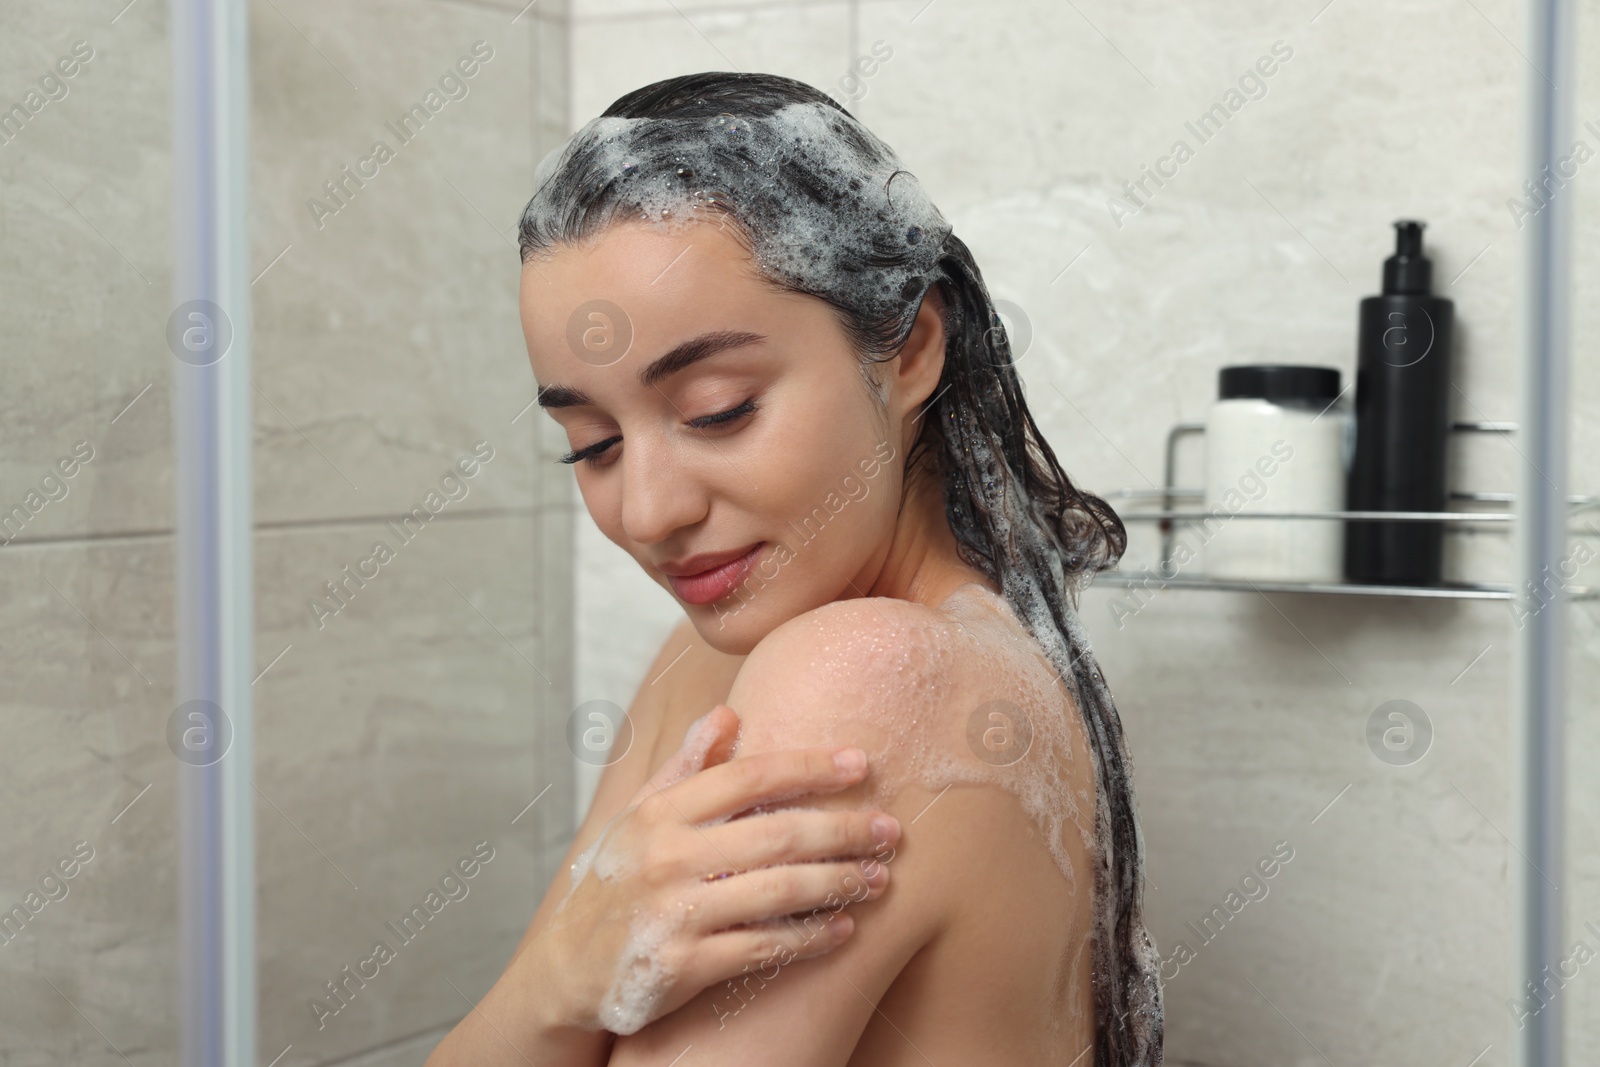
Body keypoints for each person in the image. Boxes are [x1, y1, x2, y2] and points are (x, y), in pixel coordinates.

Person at [428, 72, 1162, 1067]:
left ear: (909, 351)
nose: (646, 511)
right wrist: (559, 969)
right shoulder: (718, 651)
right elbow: (574, 984)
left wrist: (552, 983)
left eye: (718, 408)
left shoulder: (864, 672)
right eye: (590, 442)